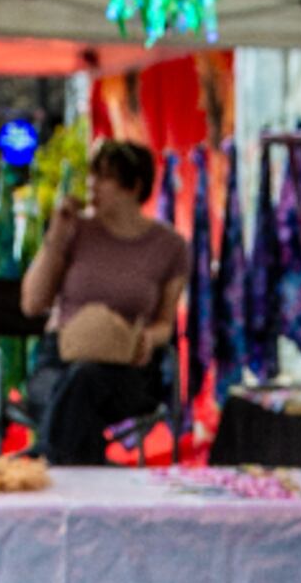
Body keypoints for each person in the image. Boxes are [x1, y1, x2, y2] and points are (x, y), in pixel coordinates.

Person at [19, 138, 189, 466]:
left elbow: (166, 323)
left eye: (105, 177)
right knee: (75, 392)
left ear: (133, 187)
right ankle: (75, 468)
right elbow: (32, 303)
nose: (93, 185)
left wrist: (147, 340)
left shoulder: (170, 247)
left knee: (85, 382)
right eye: (92, 176)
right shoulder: (75, 231)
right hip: (60, 358)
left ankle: (50, 462)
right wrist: (55, 238)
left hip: (125, 368)